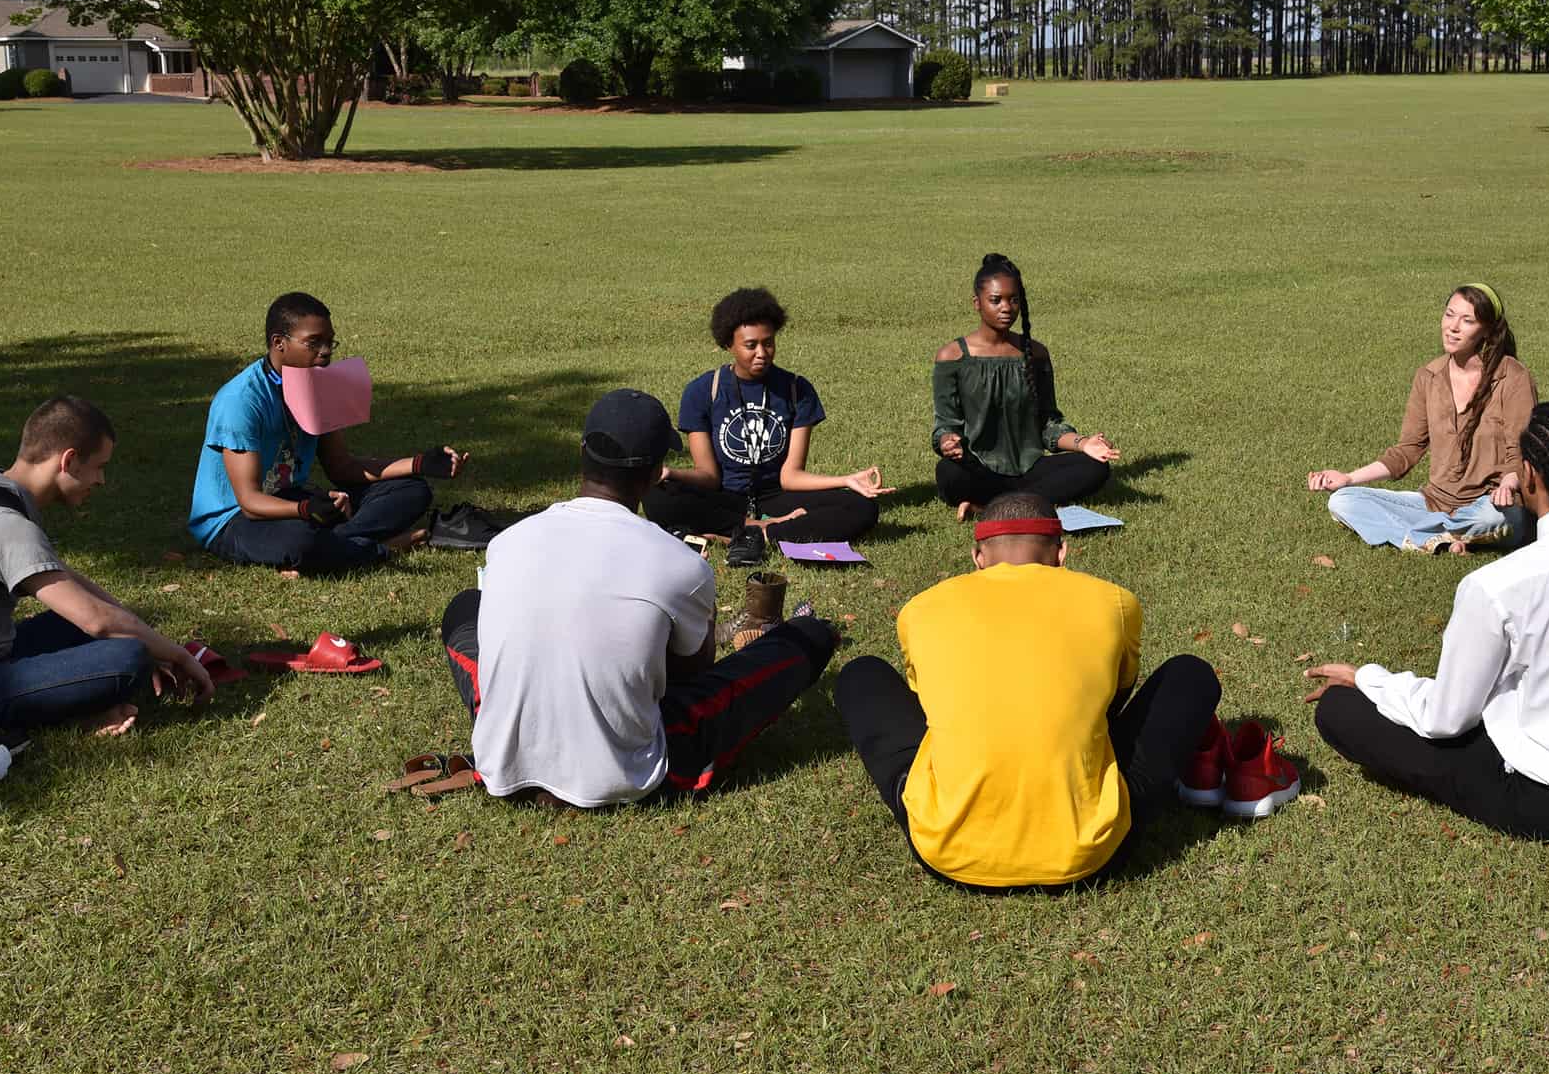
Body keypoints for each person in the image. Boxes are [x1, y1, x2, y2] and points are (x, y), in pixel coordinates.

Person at [834, 492, 1296, 893]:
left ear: (978, 557)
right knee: (1191, 673)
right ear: (1061, 553)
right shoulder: (1115, 601)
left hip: (947, 850)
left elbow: (924, 698)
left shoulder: (921, 609)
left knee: (861, 674)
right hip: (1091, 852)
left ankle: (939, 799)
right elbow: (1116, 698)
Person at [1303, 401, 1549, 842]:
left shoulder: (1499, 584)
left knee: (1341, 711)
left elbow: (1446, 720)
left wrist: (1369, 679)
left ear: (1528, 475)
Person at [440, 389, 840, 807]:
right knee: (805, 639)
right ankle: (811, 633)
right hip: (627, 774)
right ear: (654, 474)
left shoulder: (507, 542)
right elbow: (693, 673)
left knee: (465, 607)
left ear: (582, 454)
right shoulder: (679, 564)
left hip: (503, 765)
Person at [0, 398, 213, 761]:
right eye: (99, 467)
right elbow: (97, 620)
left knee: (124, 630)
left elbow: (65, 579)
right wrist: (177, 656)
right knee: (129, 656)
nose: (102, 480)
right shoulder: (7, 526)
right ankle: (72, 715)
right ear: (69, 460)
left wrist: (142, 629)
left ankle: (83, 697)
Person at [187, 292, 465, 573]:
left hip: (292, 500)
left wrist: (419, 463)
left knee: (413, 490)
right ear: (278, 343)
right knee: (301, 540)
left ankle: (340, 544)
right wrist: (306, 510)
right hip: (233, 520)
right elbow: (249, 502)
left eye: (329, 342)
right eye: (313, 342)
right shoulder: (242, 401)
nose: (326, 351)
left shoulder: (318, 385)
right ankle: (376, 548)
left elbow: (342, 467)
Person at [644, 287, 891, 549]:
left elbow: (791, 476)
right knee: (656, 496)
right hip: (723, 497)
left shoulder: (797, 390)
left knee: (861, 507)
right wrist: (672, 472)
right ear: (729, 344)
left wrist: (845, 480)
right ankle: (762, 527)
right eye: (751, 345)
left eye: (768, 342)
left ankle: (758, 534)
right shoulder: (703, 390)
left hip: (777, 495)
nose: (762, 352)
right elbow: (709, 476)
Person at [1306, 283, 1536, 553]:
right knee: (1343, 500)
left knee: (1493, 519)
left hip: (1493, 504)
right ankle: (1436, 538)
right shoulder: (1428, 376)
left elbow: (1522, 451)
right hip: (1434, 502)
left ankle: (1422, 534)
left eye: (1467, 320)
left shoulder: (1512, 377)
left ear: (1486, 330)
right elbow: (1407, 450)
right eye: (1449, 315)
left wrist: (1508, 485)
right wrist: (1348, 478)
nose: (1453, 327)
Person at [932, 253, 1119, 520]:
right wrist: (946, 441)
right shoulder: (952, 356)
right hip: (980, 468)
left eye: (1014, 299)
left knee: (1096, 468)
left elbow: (1048, 423)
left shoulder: (1036, 354)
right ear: (977, 303)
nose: (1006, 307)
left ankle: (990, 507)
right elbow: (944, 424)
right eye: (995, 300)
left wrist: (1084, 443)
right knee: (948, 473)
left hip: (1031, 467)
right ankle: (1029, 502)